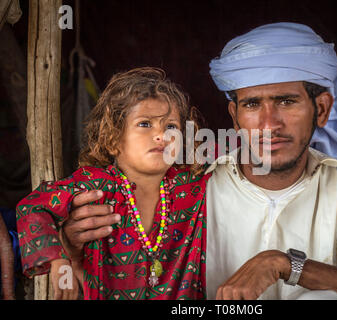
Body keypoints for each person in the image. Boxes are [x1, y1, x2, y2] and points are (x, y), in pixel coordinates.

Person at [60, 23, 337, 300]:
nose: (270, 124)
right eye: (253, 105)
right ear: (234, 117)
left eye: (286, 101)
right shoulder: (191, 184)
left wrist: (285, 264)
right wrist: (76, 244)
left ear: (320, 109)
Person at [16, 67, 210, 300]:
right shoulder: (95, 186)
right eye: (145, 124)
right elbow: (33, 207)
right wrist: (60, 260)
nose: (161, 135)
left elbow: (235, 161)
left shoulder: (191, 186)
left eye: (171, 126)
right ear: (113, 140)